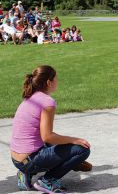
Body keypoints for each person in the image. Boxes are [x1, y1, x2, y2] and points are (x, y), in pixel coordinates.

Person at [10, 65, 91, 193]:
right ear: (49, 82)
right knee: (82, 149)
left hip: (18, 160)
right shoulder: (47, 102)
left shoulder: (30, 97)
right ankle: (47, 181)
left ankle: (25, 174)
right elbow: (47, 136)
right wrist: (74, 140)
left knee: (62, 145)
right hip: (30, 159)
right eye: (56, 78)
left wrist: (69, 152)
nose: (57, 81)